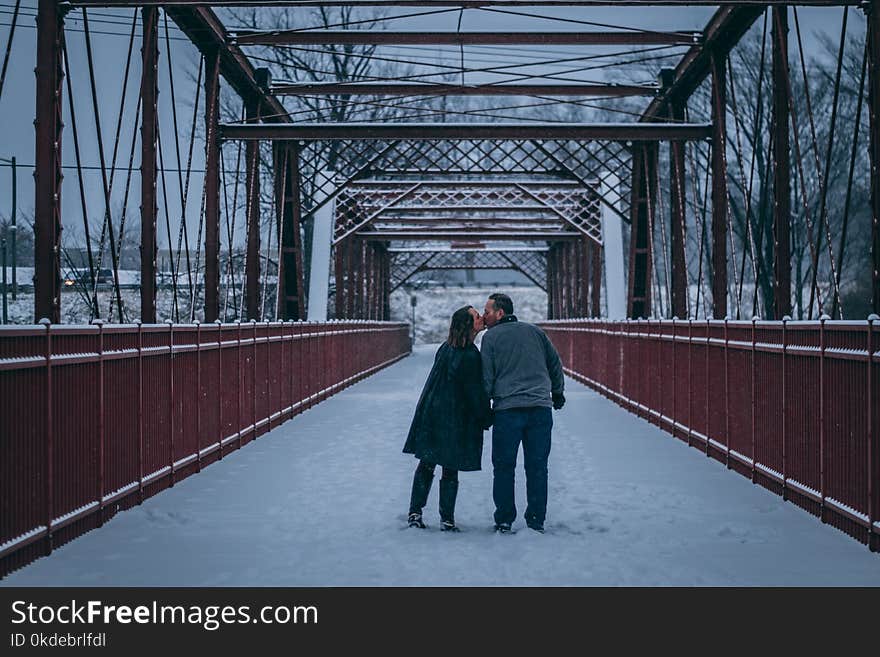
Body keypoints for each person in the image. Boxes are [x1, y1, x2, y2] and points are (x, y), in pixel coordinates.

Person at [403, 306, 493, 531]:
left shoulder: (445, 348)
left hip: (432, 414)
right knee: (450, 467)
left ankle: (415, 512)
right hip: (454, 418)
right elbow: (474, 392)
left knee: (426, 463)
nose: (481, 318)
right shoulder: (471, 355)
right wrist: (486, 417)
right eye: (476, 316)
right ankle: (447, 518)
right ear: (468, 325)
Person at [481, 292, 564, 534]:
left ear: (500, 313)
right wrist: (557, 393)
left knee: (504, 466)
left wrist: (484, 407)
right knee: (537, 466)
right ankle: (536, 519)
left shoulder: (490, 338)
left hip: (507, 411)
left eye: (487, 311)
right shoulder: (535, 332)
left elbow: (487, 376)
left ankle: (505, 519)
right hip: (540, 409)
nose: (484, 316)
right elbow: (554, 363)